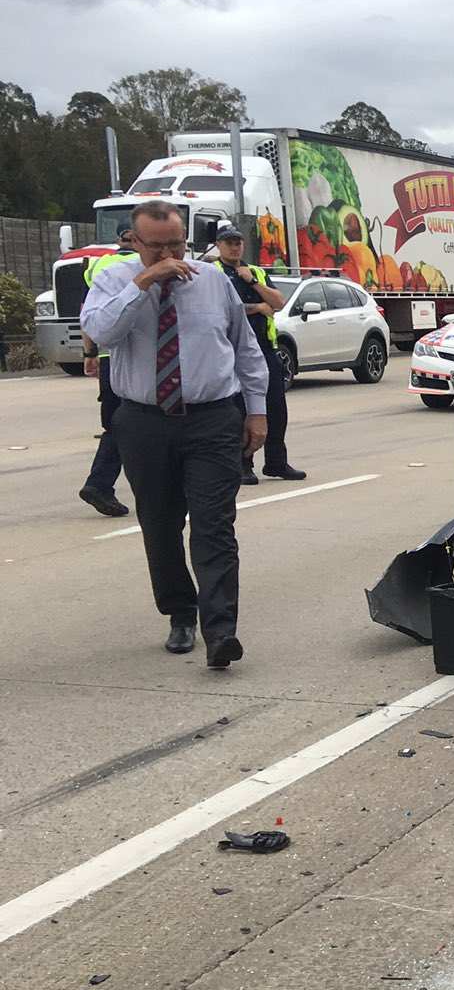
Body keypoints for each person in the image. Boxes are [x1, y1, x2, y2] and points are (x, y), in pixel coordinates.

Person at [80, 200, 269, 668]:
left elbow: (244, 348)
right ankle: (179, 613)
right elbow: (100, 333)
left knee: (214, 525)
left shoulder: (212, 281)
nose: (169, 254)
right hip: (144, 421)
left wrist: (257, 412)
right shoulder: (113, 279)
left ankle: (221, 630)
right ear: (134, 241)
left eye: (177, 244)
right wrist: (143, 284)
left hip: (212, 419)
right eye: (157, 247)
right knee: (160, 525)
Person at [211, 223, 304, 483]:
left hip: (265, 348)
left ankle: (276, 462)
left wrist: (251, 281)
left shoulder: (255, 272)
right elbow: (221, 309)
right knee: (241, 409)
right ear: (218, 245)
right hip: (230, 350)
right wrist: (256, 308)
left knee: (276, 407)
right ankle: (243, 463)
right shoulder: (213, 273)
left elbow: (278, 302)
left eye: (238, 241)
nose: (234, 246)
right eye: (228, 242)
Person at [77, 229, 137, 517]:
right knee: (132, 423)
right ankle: (100, 483)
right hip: (134, 357)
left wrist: (89, 352)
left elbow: (87, 312)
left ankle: (100, 484)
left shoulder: (99, 266)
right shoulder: (148, 262)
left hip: (107, 356)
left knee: (117, 424)